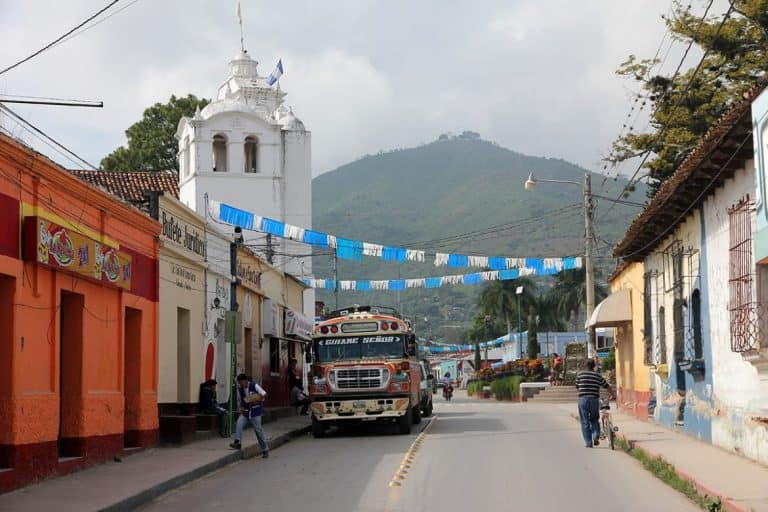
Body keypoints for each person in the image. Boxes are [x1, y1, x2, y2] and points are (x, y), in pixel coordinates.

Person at [575, 359, 614, 448]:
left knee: (585, 421)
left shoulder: (580, 375)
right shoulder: (597, 376)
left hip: (583, 400)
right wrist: (612, 395)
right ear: (594, 366)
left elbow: (577, 386)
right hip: (594, 399)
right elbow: (607, 386)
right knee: (594, 419)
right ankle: (596, 434)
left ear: (585, 365)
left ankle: (589, 443)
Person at [229, 373, 269, 458]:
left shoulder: (254, 386)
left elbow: (264, 394)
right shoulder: (240, 389)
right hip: (246, 412)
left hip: (256, 411)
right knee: (239, 423)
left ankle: (265, 449)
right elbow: (241, 401)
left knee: (258, 431)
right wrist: (241, 408)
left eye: (241, 382)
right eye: (239, 383)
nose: (240, 384)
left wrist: (258, 400)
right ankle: (237, 442)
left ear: (246, 380)